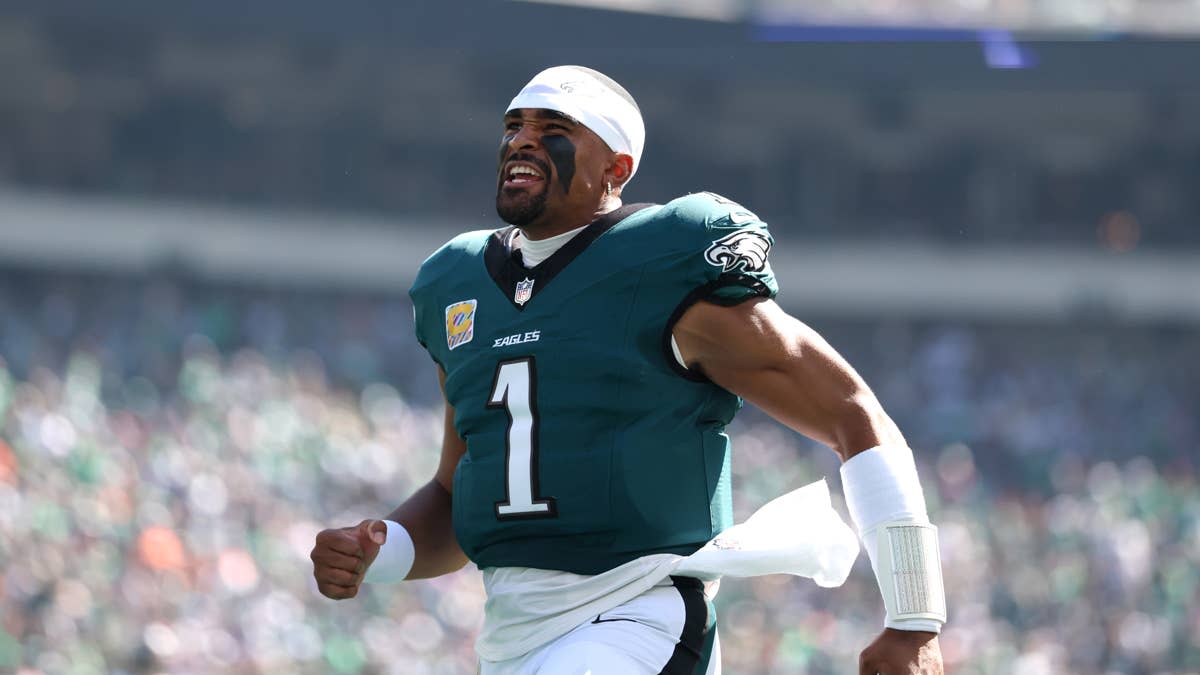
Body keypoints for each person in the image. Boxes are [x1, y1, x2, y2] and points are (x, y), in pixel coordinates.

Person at [311, 65, 946, 675]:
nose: (524, 139)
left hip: (638, 617)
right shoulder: (456, 280)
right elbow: (458, 493)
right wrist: (381, 549)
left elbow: (854, 414)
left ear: (617, 168)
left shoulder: (660, 262)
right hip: (510, 636)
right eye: (515, 125)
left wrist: (915, 619)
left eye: (554, 128)